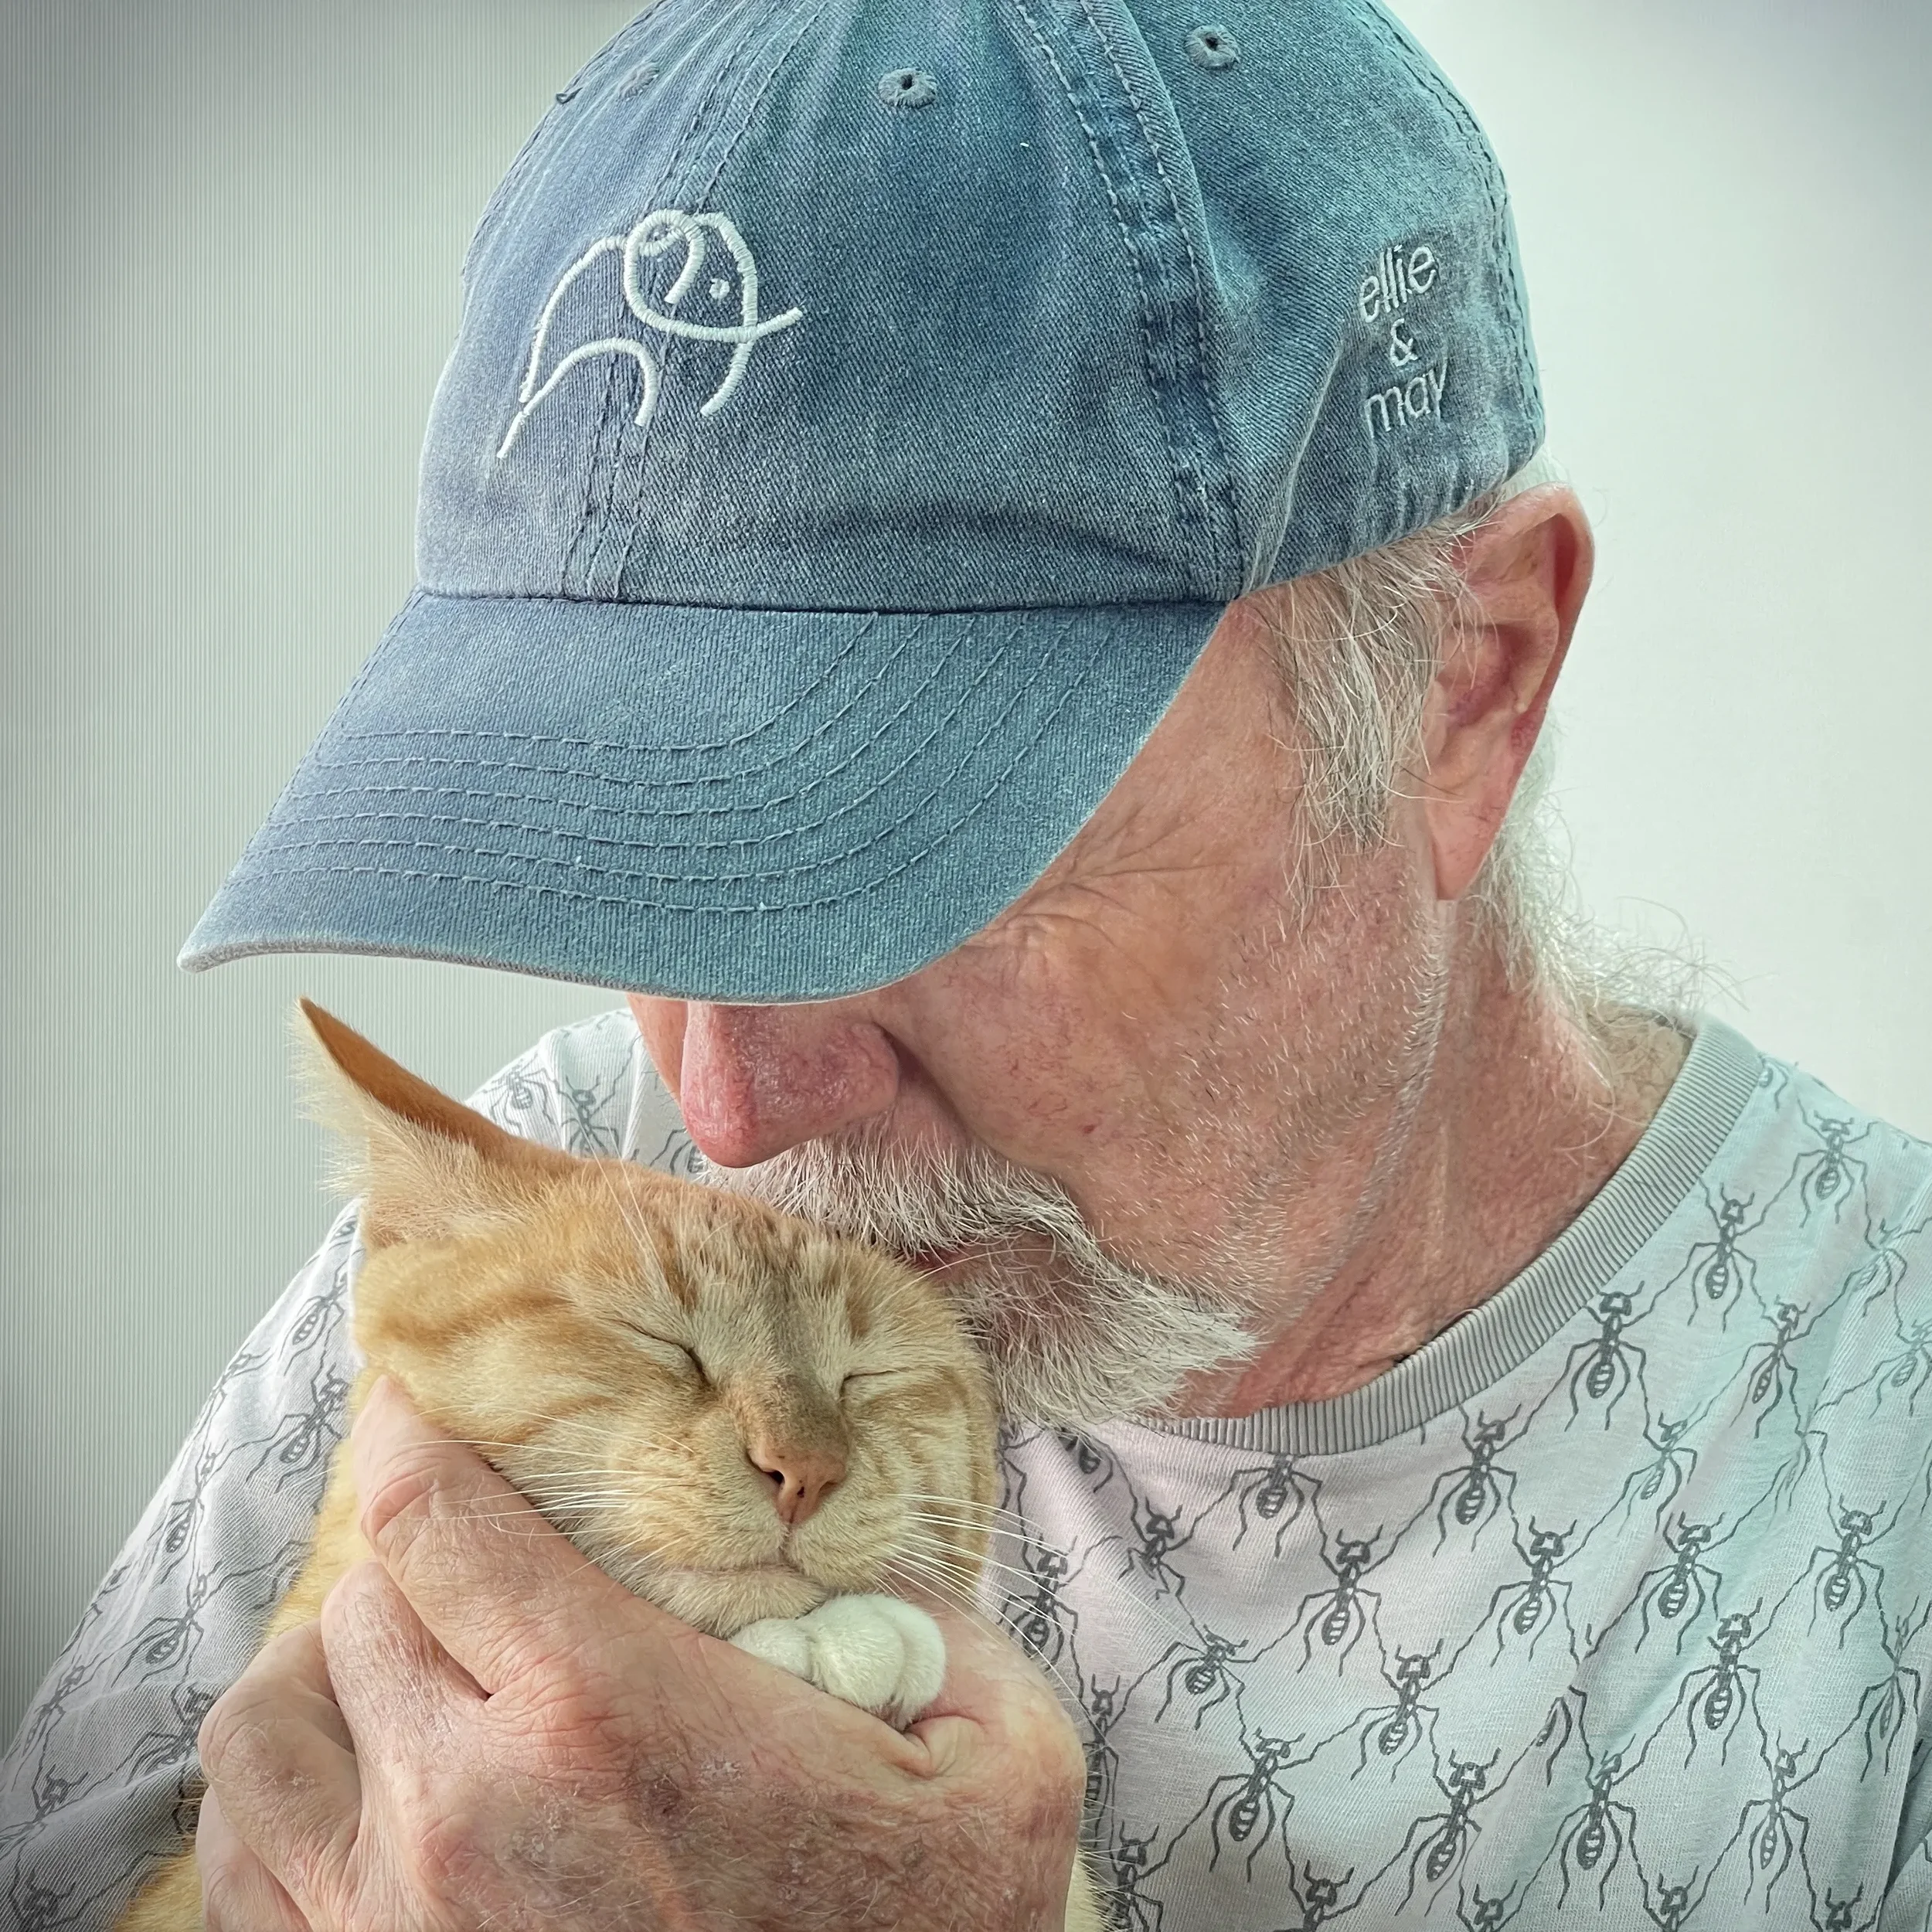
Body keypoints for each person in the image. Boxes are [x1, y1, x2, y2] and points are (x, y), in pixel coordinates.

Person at [5, 1, 1931, 1926]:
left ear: (1464, 685)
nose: (723, 1112)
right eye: (641, 853)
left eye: (923, 854)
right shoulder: (556, 1192)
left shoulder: (1881, 1443)